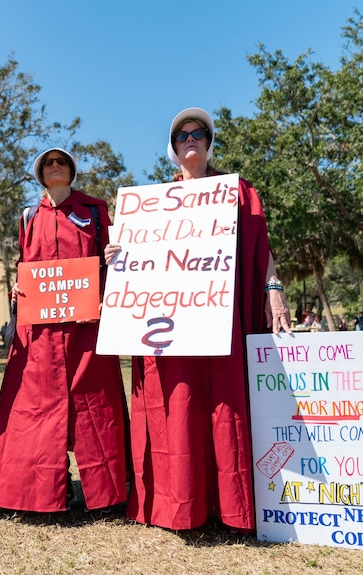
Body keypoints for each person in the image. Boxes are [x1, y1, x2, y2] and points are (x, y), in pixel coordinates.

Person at [104, 108, 291, 532]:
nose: (191, 139)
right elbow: (132, 263)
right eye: (182, 135)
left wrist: (273, 288)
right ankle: (182, 505)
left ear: (208, 142)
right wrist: (114, 257)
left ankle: (233, 508)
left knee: (227, 410)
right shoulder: (151, 205)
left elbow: (262, 247)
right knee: (180, 406)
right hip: (171, 331)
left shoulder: (241, 193)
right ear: (173, 148)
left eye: (198, 133)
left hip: (224, 323)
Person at [0, 148, 127, 513]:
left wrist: (111, 270)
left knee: (94, 406)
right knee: (35, 408)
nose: (55, 166)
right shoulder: (29, 216)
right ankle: (39, 490)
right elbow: (26, 264)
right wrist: (17, 290)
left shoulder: (94, 210)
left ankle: (103, 494)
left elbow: (113, 259)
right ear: (41, 174)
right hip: (40, 332)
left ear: (71, 170)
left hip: (85, 327)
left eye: (61, 162)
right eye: (48, 163)